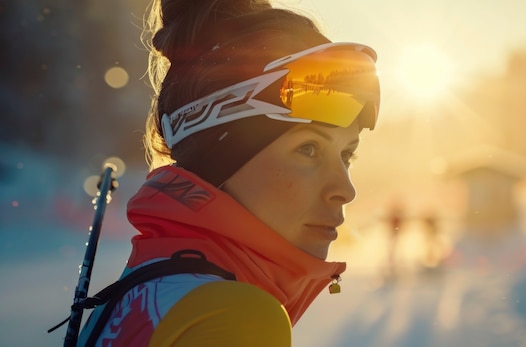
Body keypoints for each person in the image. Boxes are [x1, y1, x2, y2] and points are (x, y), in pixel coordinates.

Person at [76, 0, 380, 345]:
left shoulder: (145, 292)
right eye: (307, 149)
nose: (345, 189)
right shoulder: (235, 317)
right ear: (220, 156)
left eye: (347, 154)